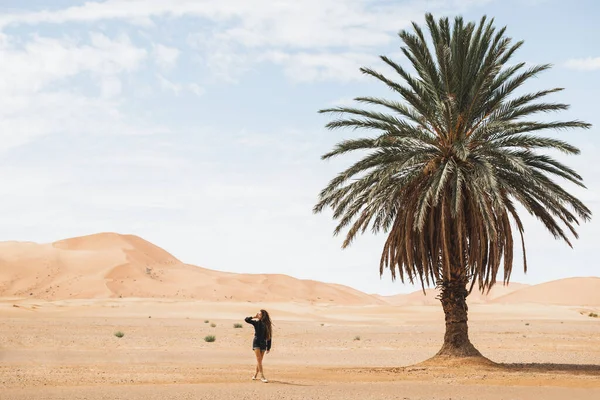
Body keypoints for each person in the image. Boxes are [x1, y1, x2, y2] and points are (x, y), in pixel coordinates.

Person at [244, 309, 273, 383]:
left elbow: (269, 336)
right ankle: (262, 376)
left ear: (263, 315)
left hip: (263, 343)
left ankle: (255, 374)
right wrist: (254, 316)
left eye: (259, 314)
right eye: (258, 314)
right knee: (259, 359)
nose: (258, 315)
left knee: (259, 361)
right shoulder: (256, 323)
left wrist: (268, 347)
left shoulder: (267, 325)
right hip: (256, 342)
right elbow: (246, 320)